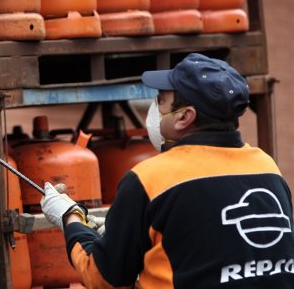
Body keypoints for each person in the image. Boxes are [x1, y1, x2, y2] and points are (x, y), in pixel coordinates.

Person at [40, 53, 294, 288]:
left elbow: (104, 278)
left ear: (185, 117)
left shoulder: (149, 179)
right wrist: (133, 231)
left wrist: (70, 220)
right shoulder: (267, 167)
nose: (155, 108)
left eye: (161, 101)